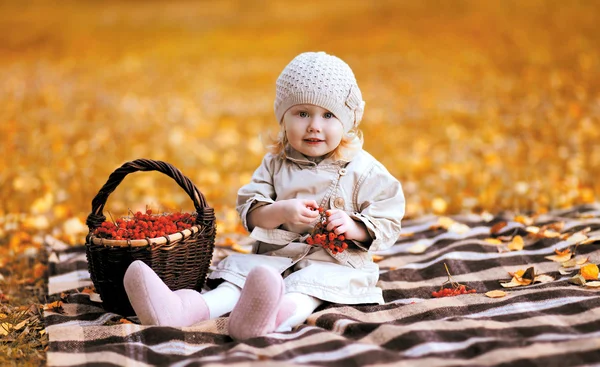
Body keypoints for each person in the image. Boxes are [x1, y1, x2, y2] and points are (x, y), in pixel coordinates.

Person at [123, 51, 405, 340]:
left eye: (328, 115)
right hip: (275, 259)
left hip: (333, 263)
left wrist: (355, 227)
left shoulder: (364, 169)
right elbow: (251, 209)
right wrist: (281, 211)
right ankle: (181, 310)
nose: (314, 126)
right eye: (302, 113)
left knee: (307, 288)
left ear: (347, 120)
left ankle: (268, 320)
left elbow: (389, 216)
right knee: (239, 281)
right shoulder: (275, 163)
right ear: (283, 117)